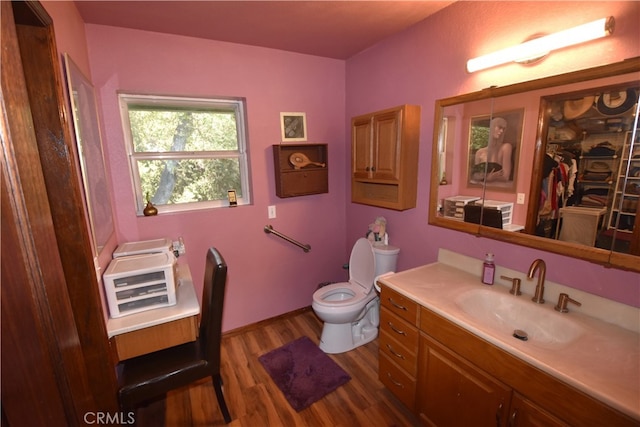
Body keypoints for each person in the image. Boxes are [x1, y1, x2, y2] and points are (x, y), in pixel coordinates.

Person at [471, 117, 513, 183]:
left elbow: (506, 176)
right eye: (499, 127)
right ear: (492, 128)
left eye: (503, 129)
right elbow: (475, 175)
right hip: (481, 188)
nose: (501, 131)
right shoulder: (479, 152)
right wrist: (486, 178)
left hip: (498, 188)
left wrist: (490, 178)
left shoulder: (506, 147)